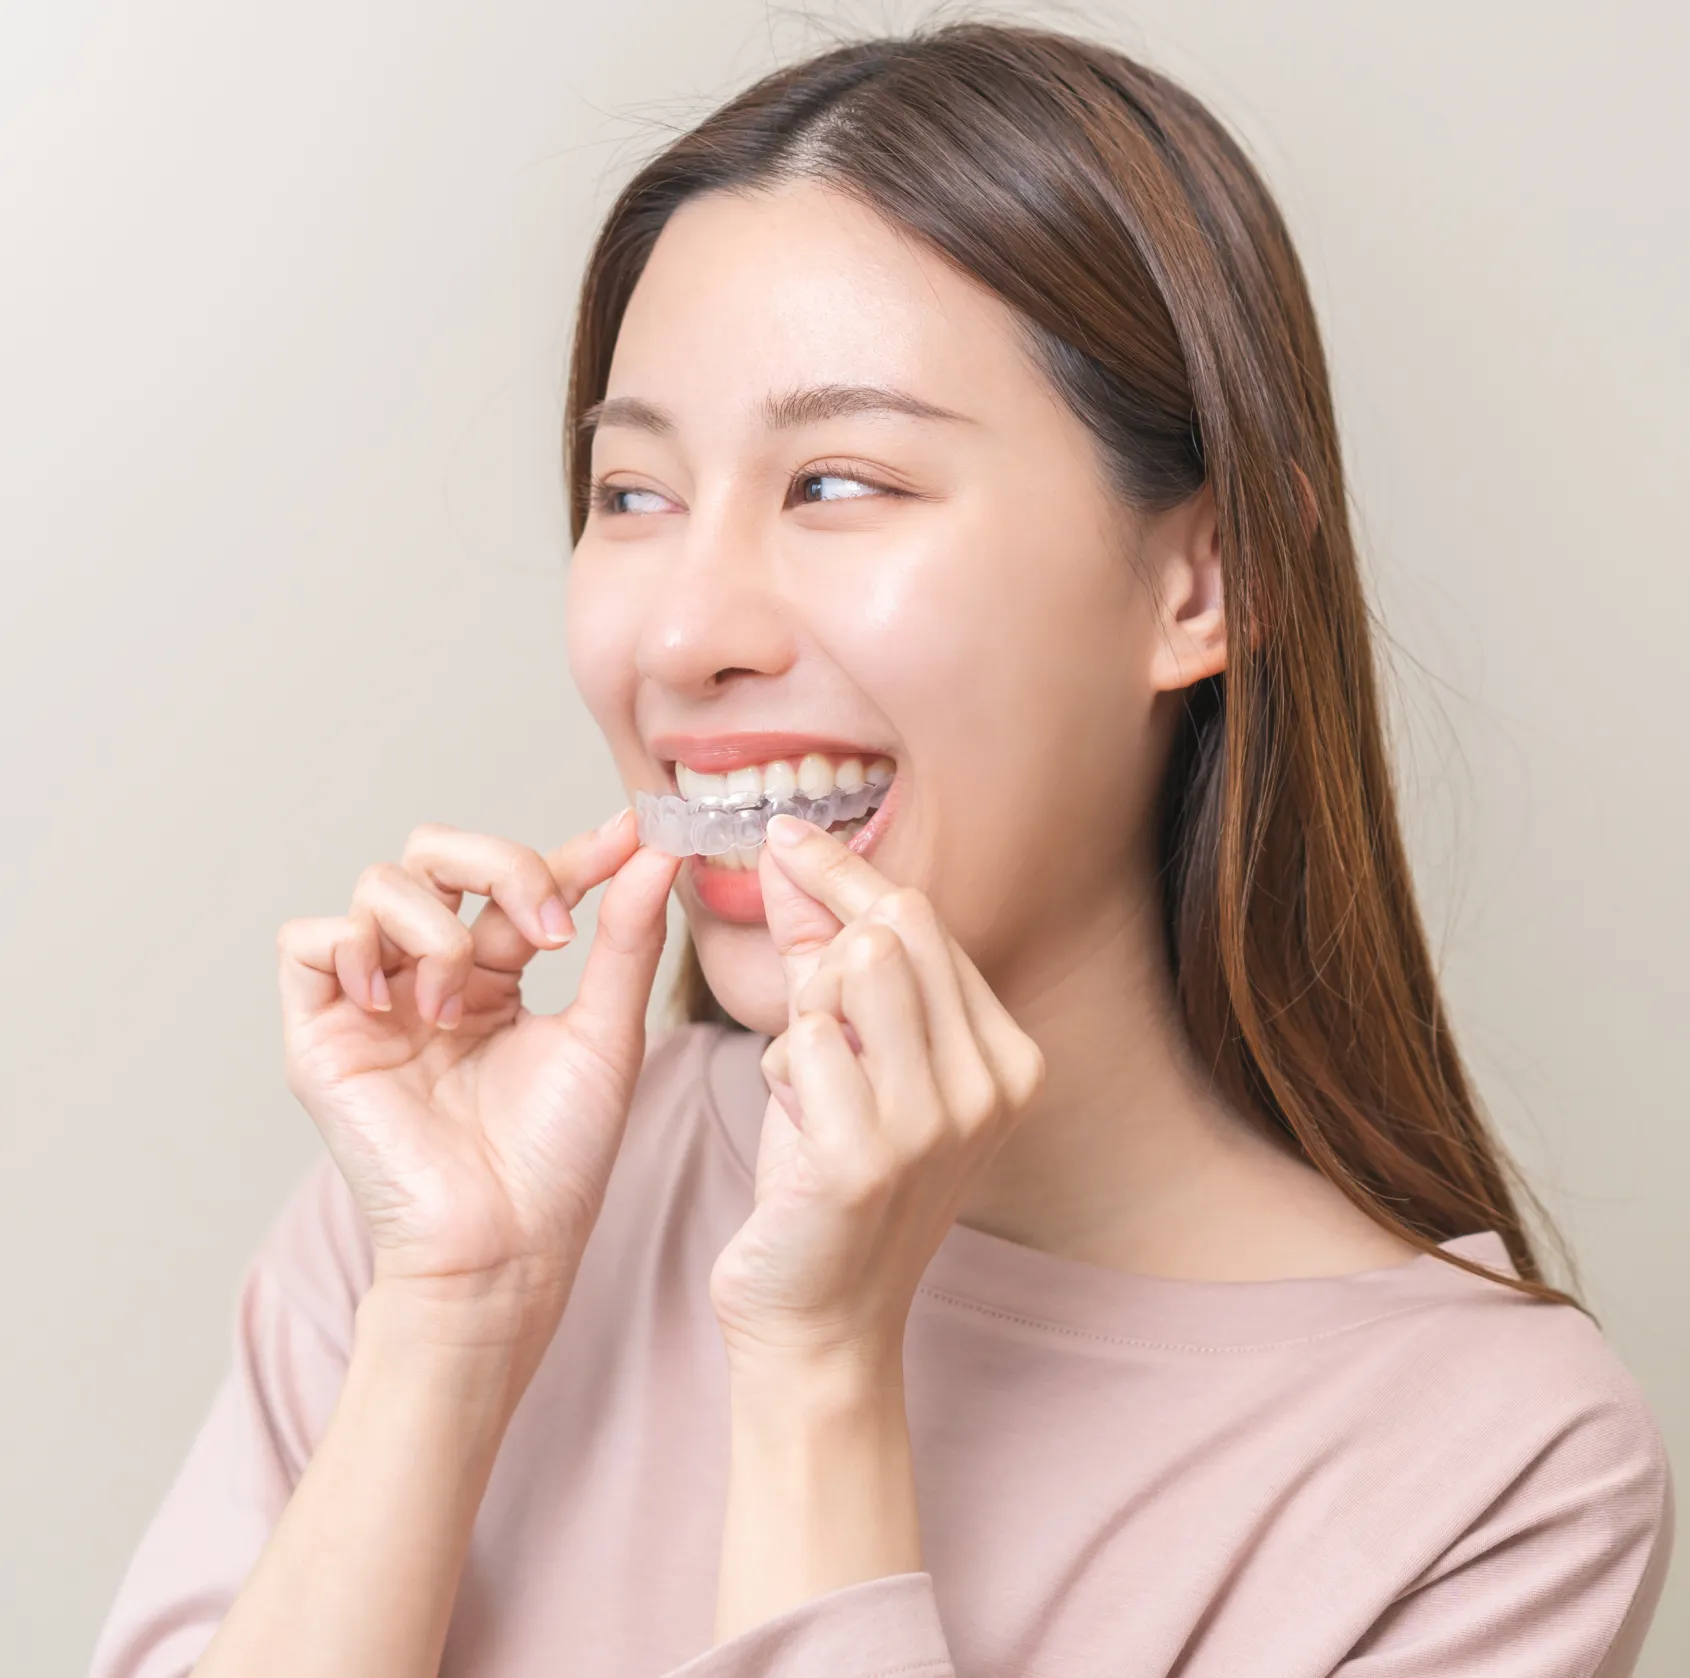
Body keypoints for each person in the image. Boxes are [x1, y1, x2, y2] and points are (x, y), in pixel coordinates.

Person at [91, 21, 1672, 1678]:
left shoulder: (1489, 1477)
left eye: (835, 481)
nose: (685, 631)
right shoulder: (446, 1200)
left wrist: (823, 1374)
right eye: (630, 494)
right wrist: (452, 1316)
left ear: (1202, 581)